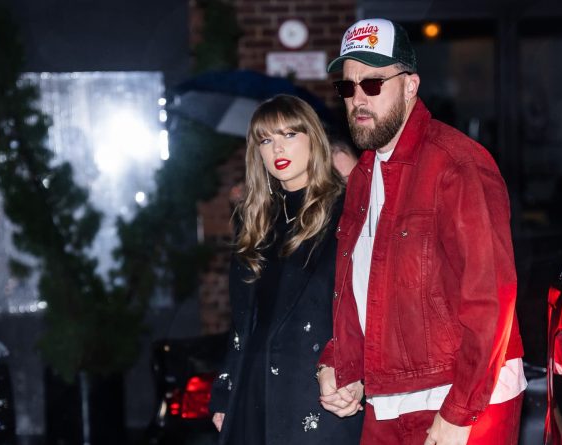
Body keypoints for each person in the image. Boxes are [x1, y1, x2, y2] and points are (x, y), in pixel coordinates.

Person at [317, 18, 526, 445]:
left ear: (410, 86)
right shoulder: (362, 175)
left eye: (372, 84)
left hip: (459, 396)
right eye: (347, 87)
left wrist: (460, 411)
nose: (358, 98)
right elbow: (358, 287)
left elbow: (491, 298)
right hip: (387, 396)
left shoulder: (458, 164)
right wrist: (341, 365)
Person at [208, 94, 362, 445]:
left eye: (289, 134)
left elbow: (366, 305)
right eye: (265, 140)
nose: (277, 148)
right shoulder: (254, 220)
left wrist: (356, 373)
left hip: (318, 390)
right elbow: (243, 320)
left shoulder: (348, 210)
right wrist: (226, 389)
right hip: (254, 387)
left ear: (313, 138)